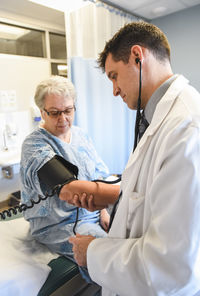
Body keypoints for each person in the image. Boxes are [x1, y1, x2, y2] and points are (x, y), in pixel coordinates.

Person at [59, 21, 200, 295]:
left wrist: (93, 252)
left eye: (114, 76)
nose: (113, 90)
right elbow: (152, 197)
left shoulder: (186, 128)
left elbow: (169, 265)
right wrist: (113, 200)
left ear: (137, 56)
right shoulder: (161, 118)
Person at [20, 75, 111, 279]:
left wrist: (105, 210)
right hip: (59, 224)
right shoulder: (34, 145)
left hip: (95, 212)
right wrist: (125, 192)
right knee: (104, 253)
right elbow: (68, 189)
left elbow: (100, 174)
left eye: (68, 111)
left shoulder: (81, 135)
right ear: (42, 112)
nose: (63, 119)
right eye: (54, 113)